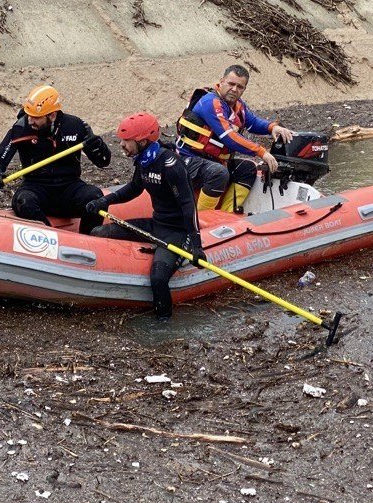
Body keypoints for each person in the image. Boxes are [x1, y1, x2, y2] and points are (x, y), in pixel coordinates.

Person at [86, 113, 202, 321]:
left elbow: (188, 205)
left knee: (158, 279)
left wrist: (196, 244)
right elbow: (134, 189)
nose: (121, 145)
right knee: (99, 232)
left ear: (142, 141)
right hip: (156, 224)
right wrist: (105, 201)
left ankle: (163, 324)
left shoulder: (170, 165)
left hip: (175, 232)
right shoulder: (143, 161)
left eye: (126, 141)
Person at [0, 84, 111, 234]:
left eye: (36, 117)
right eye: (28, 115)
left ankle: (87, 241)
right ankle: (52, 239)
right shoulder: (21, 128)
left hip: (69, 188)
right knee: (24, 200)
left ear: (52, 115)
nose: (30, 121)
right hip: (36, 187)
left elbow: (103, 161)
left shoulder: (75, 126)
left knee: (96, 197)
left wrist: (97, 146)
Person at [176, 64, 295, 212]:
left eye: (240, 87)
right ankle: (201, 220)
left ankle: (227, 214)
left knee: (247, 168)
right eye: (231, 84)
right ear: (222, 81)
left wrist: (272, 127)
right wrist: (261, 152)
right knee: (219, 173)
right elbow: (229, 137)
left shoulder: (238, 106)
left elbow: (253, 123)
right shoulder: (210, 102)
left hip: (212, 160)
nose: (234, 89)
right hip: (189, 159)